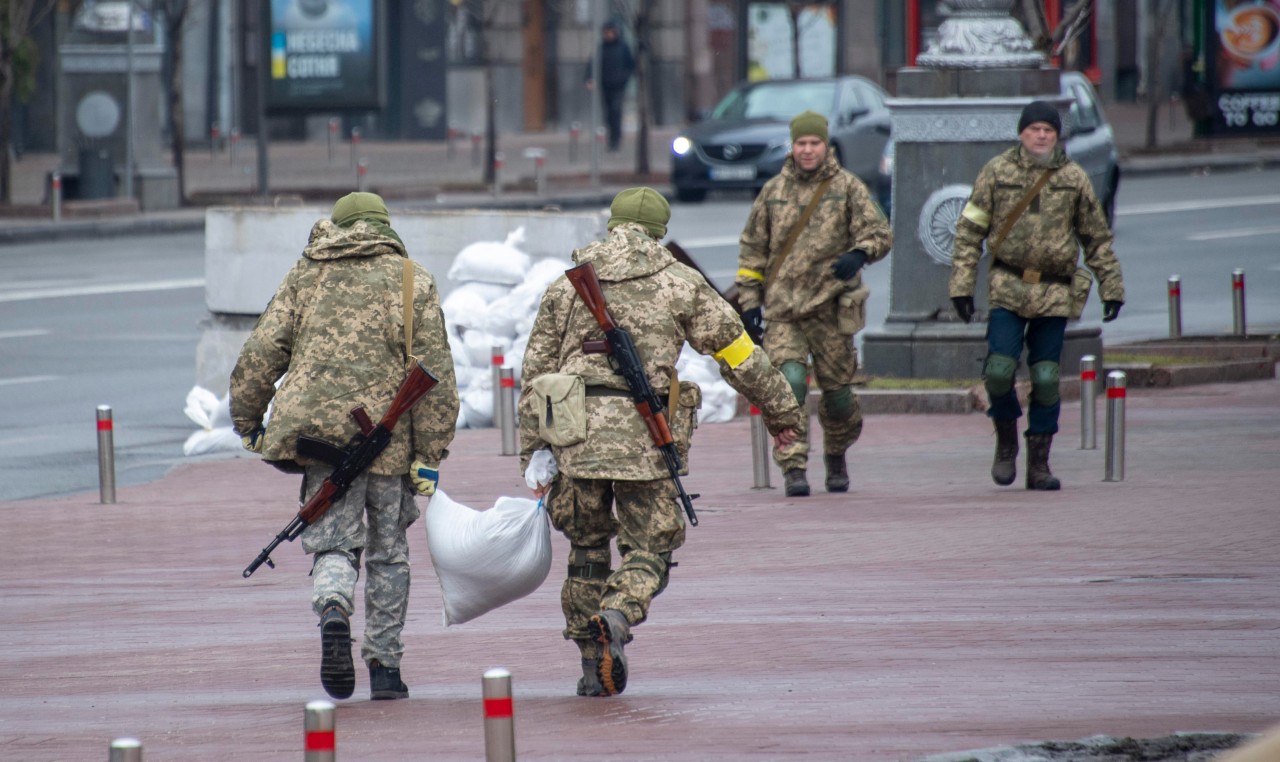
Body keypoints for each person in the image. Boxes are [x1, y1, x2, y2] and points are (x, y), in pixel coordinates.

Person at [518, 187, 804, 697]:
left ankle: (591, 665)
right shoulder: (680, 282)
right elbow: (739, 353)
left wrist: (533, 452)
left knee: (586, 549)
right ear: (659, 232)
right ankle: (618, 612)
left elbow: (536, 373)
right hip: (643, 439)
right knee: (651, 545)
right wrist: (782, 411)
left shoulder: (566, 286)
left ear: (613, 225)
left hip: (573, 438)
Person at [229, 192, 459, 701]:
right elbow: (436, 374)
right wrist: (430, 455)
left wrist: (248, 420)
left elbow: (261, 353)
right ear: (384, 226)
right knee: (388, 554)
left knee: (333, 543)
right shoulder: (411, 279)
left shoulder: (305, 274)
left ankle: (333, 607)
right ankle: (384, 667)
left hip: (321, 442)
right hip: (389, 446)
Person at [949, 100, 1125, 490]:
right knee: (998, 371)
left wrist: (1111, 287)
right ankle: (1007, 438)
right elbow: (968, 232)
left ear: (1057, 135)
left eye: (1048, 129)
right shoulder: (997, 172)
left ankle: (1039, 462)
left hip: (1054, 291)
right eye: (1034, 129)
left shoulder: (1073, 178)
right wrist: (961, 286)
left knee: (1045, 377)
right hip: (1008, 287)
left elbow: (1096, 238)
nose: (1042, 135)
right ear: (1021, 133)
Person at [734, 110, 893, 498]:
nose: (807, 150)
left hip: (831, 311)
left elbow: (879, 233)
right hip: (784, 312)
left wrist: (860, 254)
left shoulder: (848, 188)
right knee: (788, 384)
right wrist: (751, 302)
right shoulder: (773, 192)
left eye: (814, 143)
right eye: (801, 143)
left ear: (826, 145)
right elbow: (753, 250)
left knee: (839, 397)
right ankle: (794, 466)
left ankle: (836, 454)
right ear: (793, 146)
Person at [584, 20, 634, 152]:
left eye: (611, 32)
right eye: (607, 32)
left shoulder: (623, 48)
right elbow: (592, 64)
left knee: (616, 111)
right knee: (608, 113)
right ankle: (611, 138)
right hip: (605, 85)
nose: (609, 35)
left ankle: (616, 139)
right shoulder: (602, 48)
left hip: (618, 86)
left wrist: (624, 78)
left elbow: (630, 65)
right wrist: (589, 78)